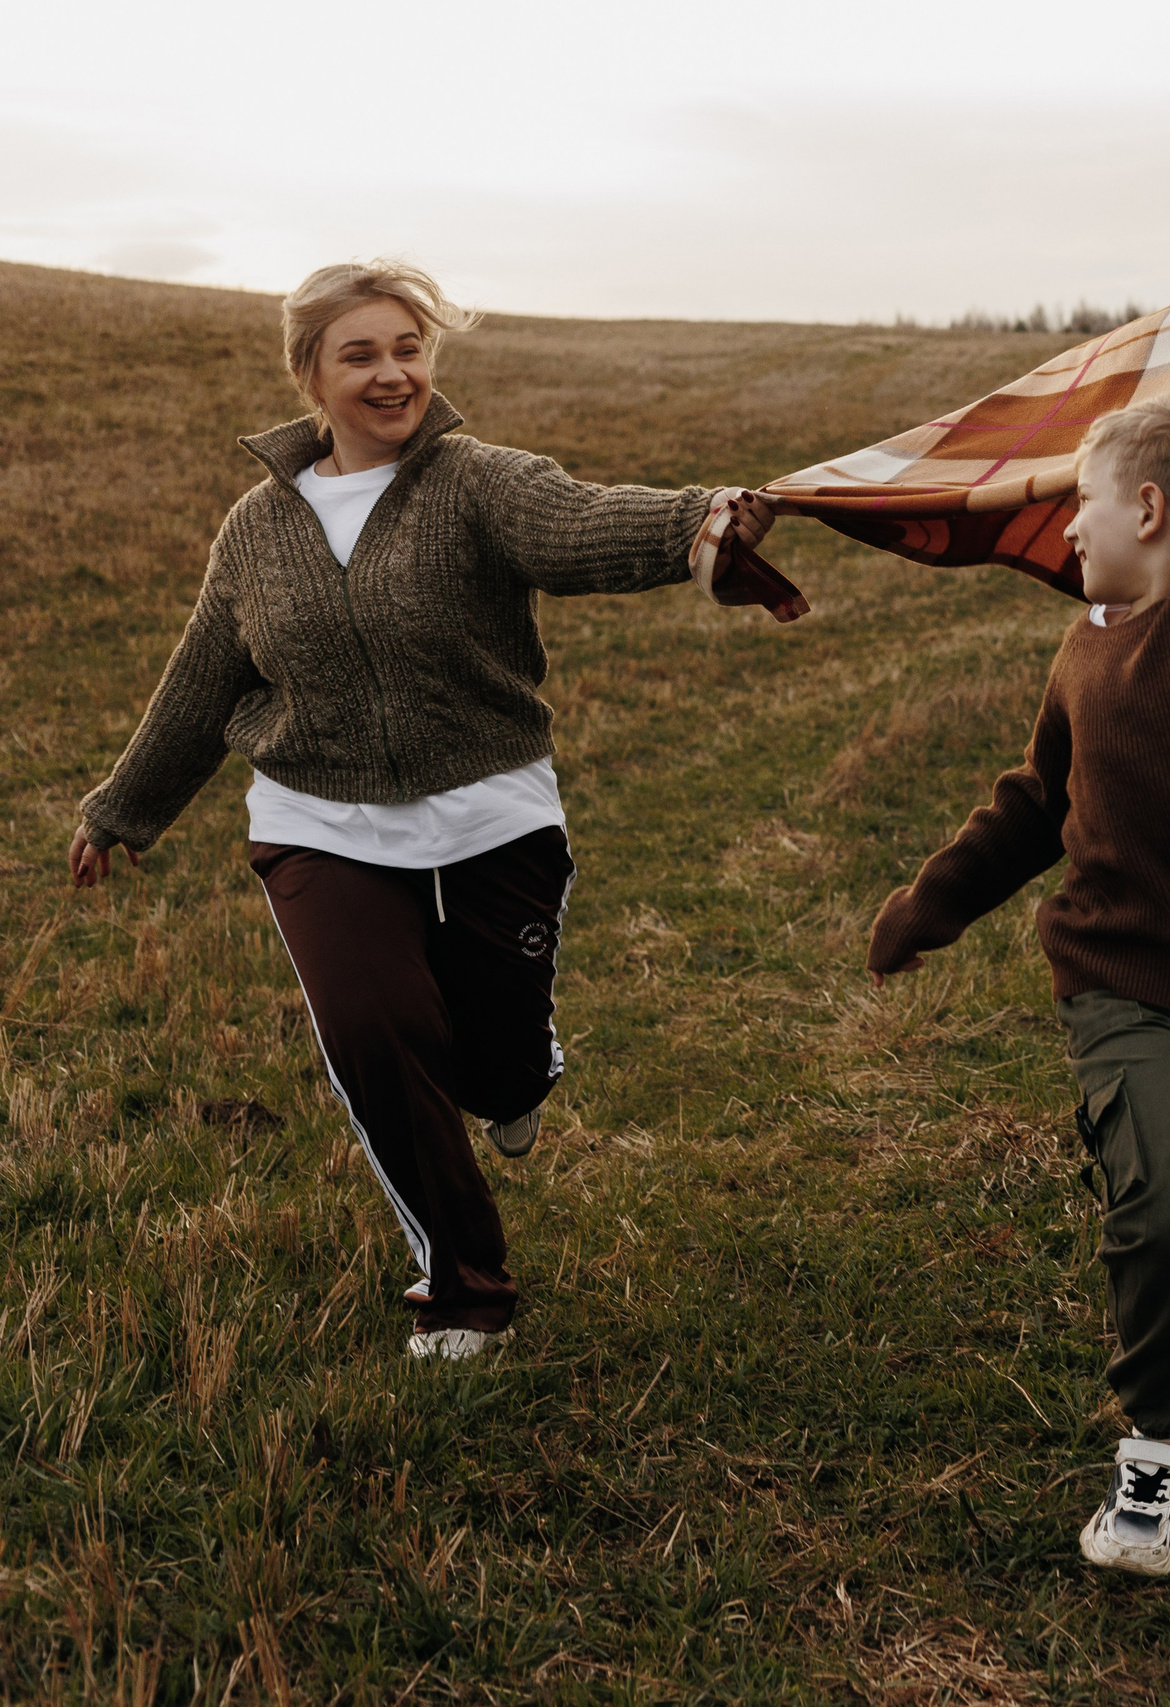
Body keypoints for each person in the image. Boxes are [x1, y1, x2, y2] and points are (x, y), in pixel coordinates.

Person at [69, 260, 804, 1361]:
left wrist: (697, 524)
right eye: (360, 353)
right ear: (309, 374)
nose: (391, 373)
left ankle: (519, 1074)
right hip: (318, 821)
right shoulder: (256, 529)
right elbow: (203, 678)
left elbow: (576, 524)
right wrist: (122, 809)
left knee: (493, 1061)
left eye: (407, 348)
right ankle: (463, 1286)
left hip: (490, 812)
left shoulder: (475, 481)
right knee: (377, 1034)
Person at [868, 187, 1170, 1575]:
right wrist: (931, 903)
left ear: (1145, 506)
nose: (1064, 531)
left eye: (1079, 504)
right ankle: (1148, 1454)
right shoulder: (1084, 649)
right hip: (1124, 980)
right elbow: (1034, 802)